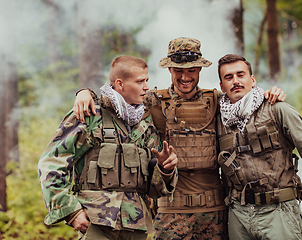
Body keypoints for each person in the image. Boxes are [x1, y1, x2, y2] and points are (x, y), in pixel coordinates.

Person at [73, 37, 286, 240]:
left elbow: (244, 97)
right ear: (169, 70)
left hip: (215, 211)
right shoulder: (152, 101)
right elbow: (116, 97)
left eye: (192, 70)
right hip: (170, 212)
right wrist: (85, 93)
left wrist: (269, 94)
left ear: (200, 69)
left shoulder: (216, 101)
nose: (185, 77)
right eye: (178, 71)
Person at [38, 55, 178, 240]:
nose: (146, 87)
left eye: (147, 81)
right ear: (120, 84)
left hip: (135, 225)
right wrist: (70, 211)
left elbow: (154, 189)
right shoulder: (90, 114)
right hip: (96, 223)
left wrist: (165, 169)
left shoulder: (145, 123)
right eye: (140, 81)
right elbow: (51, 163)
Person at [216, 54, 302, 240]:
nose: (235, 81)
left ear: (252, 79)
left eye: (240, 75)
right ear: (221, 86)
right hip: (239, 216)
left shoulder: (277, 109)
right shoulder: (219, 119)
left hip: (278, 212)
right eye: (228, 77)